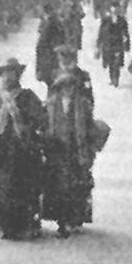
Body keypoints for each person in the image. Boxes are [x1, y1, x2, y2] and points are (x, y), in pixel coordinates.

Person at [0, 58, 46, 241]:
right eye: (5, 73)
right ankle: (4, 224)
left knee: (20, 186)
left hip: (20, 148)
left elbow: (41, 119)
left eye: (12, 73)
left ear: (18, 75)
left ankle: (23, 225)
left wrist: (26, 128)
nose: (8, 77)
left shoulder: (27, 96)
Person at [42, 46, 95, 238]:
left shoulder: (83, 82)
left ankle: (75, 218)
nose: (64, 60)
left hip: (76, 147)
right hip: (57, 148)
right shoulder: (53, 88)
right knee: (58, 186)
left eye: (67, 57)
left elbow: (90, 102)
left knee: (77, 185)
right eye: (61, 57)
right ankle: (62, 221)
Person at [96, 2, 130, 87]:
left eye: (116, 9)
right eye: (113, 9)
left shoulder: (122, 20)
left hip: (118, 45)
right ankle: (112, 78)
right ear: (110, 10)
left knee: (117, 63)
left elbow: (126, 33)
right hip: (108, 45)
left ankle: (116, 79)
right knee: (111, 63)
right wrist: (98, 45)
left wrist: (127, 45)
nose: (115, 11)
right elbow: (101, 33)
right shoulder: (106, 20)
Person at [35, 4, 67, 88]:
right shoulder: (52, 22)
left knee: (53, 84)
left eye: (40, 11)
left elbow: (44, 45)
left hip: (50, 59)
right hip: (50, 59)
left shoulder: (52, 23)